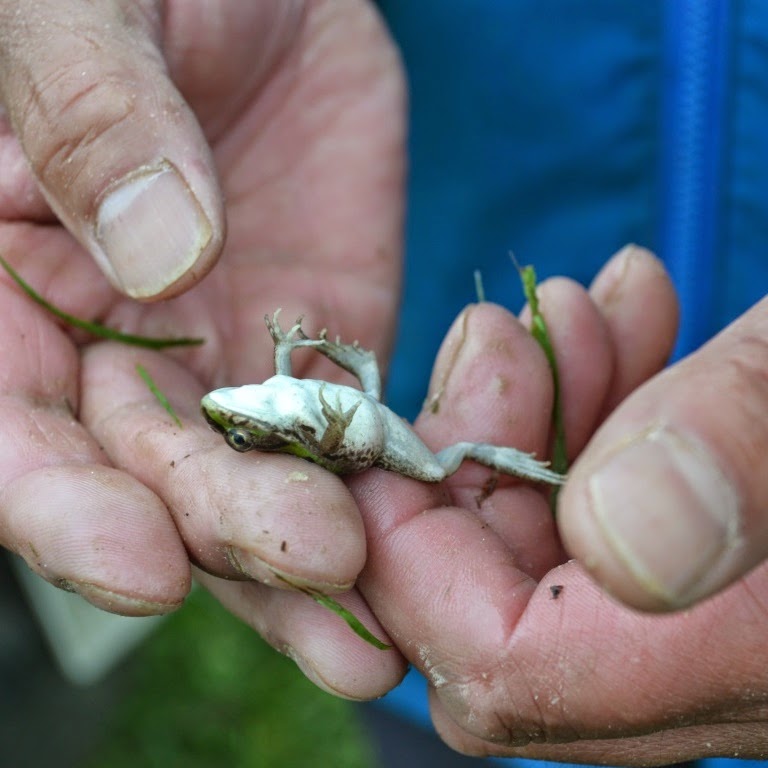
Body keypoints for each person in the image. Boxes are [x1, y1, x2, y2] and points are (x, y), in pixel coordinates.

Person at [0, 1, 765, 764]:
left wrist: (291, 347)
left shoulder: (277, 404)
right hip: (405, 355)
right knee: (443, 488)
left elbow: (294, 391)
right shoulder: (280, 421)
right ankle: (535, 476)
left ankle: (534, 475)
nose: (234, 416)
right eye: (233, 426)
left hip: (403, 364)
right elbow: (311, 420)